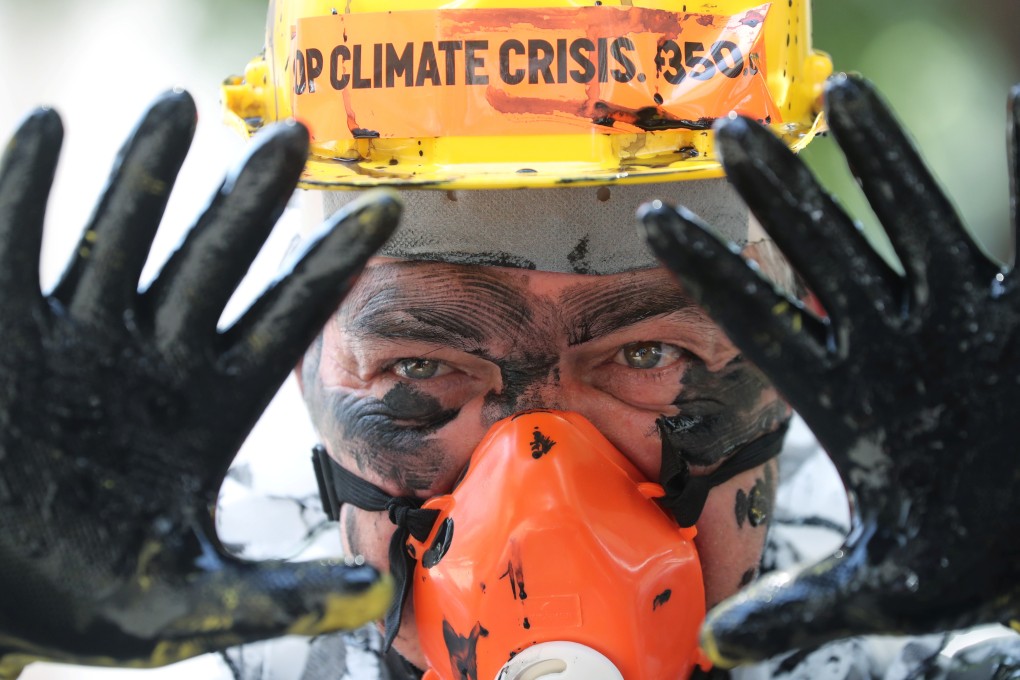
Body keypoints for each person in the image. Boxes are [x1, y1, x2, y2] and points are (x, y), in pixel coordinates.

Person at [1, 2, 1019, 680]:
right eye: (419, 367)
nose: (541, 479)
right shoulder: (181, 642)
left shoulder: (943, 619)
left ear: (801, 344)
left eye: (647, 354)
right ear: (304, 370)